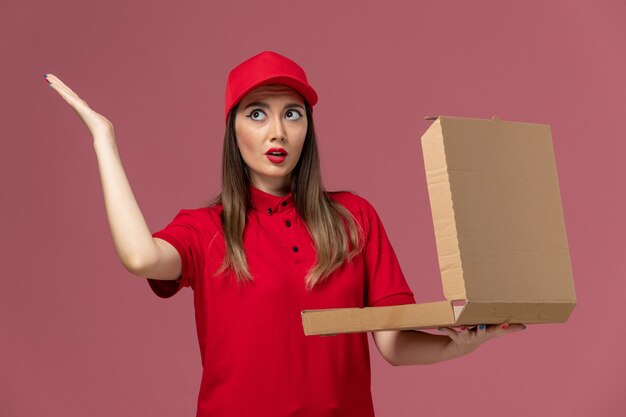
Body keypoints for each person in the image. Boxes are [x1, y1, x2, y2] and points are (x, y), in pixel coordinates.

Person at [45, 50, 525, 417]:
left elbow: (393, 346)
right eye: (257, 113)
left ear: (307, 129)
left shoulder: (354, 219)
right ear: (233, 129)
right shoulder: (206, 229)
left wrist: (457, 345)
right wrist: (103, 139)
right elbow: (139, 257)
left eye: (292, 114)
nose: (277, 131)